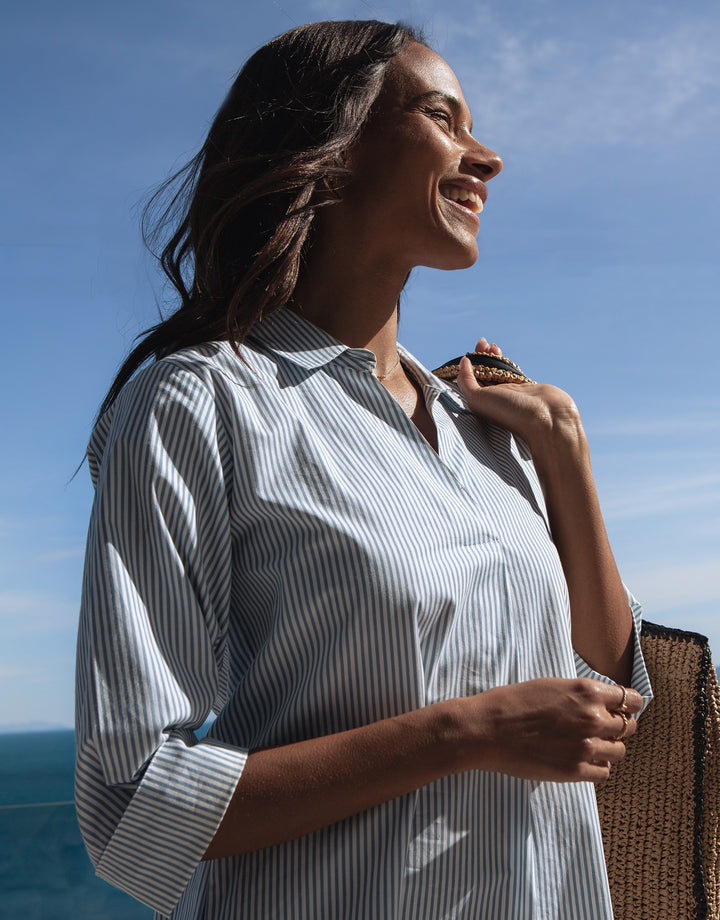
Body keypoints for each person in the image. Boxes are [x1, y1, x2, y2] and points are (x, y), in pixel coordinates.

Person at [75, 20, 652, 920]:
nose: (486, 156)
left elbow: (612, 693)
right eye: (443, 118)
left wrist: (566, 455)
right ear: (329, 150)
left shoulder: (487, 422)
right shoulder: (201, 405)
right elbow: (134, 805)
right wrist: (466, 732)